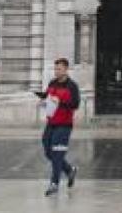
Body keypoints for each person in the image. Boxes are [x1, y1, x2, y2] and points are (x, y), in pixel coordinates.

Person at [38, 57, 80, 197]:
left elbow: (75, 105)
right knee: (48, 152)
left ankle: (54, 183)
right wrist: (42, 98)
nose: (56, 71)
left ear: (66, 70)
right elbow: (47, 97)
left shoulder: (72, 86)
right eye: (55, 69)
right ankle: (69, 170)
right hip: (51, 123)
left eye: (59, 69)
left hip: (64, 125)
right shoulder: (52, 83)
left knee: (57, 153)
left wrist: (59, 102)